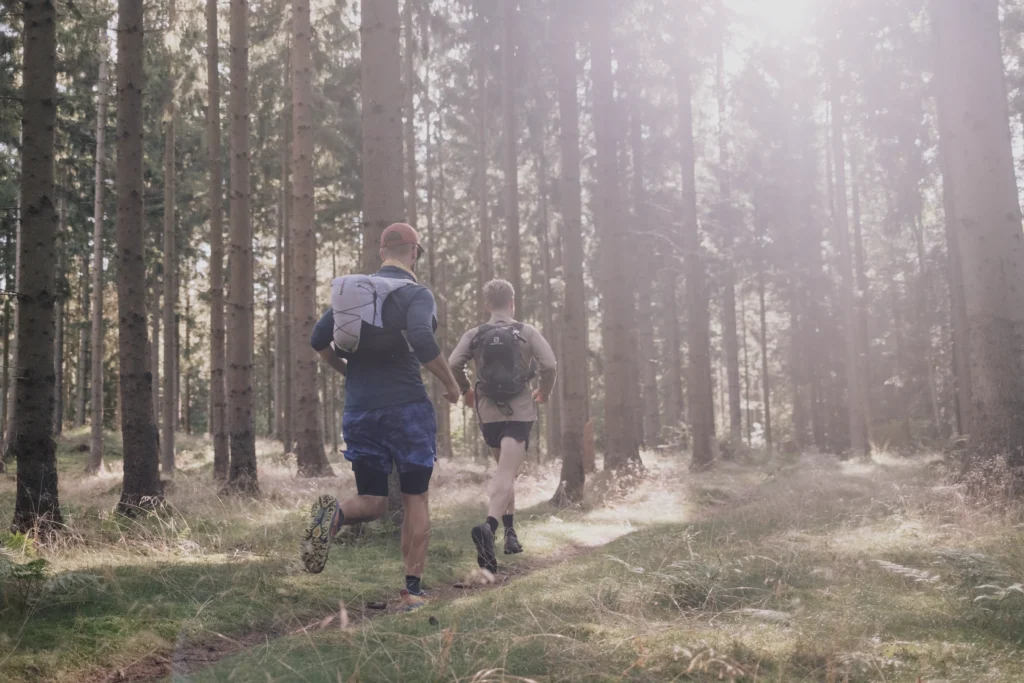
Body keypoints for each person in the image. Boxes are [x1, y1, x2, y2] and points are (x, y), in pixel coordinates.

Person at [301, 223, 461, 610]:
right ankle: (412, 591)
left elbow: (318, 341)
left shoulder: (355, 294)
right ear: (414, 252)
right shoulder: (415, 293)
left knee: (372, 500)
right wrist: (453, 384)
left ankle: (333, 518)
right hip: (406, 409)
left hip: (361, 411)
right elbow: (422, 339)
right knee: (415, 499)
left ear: (382, 252)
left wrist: (348, 372)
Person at [448, 279, 557, 573]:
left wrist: (466, 390)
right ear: (512, 303)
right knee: (507, 474)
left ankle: (510, 535)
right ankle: (490, 527)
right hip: (519, 410)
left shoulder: (475, 334)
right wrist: (544, 391)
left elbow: (453, 363)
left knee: (503, 473)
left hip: (489, 412)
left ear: (487, 305)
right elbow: (550, 365)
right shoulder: (525, 331)